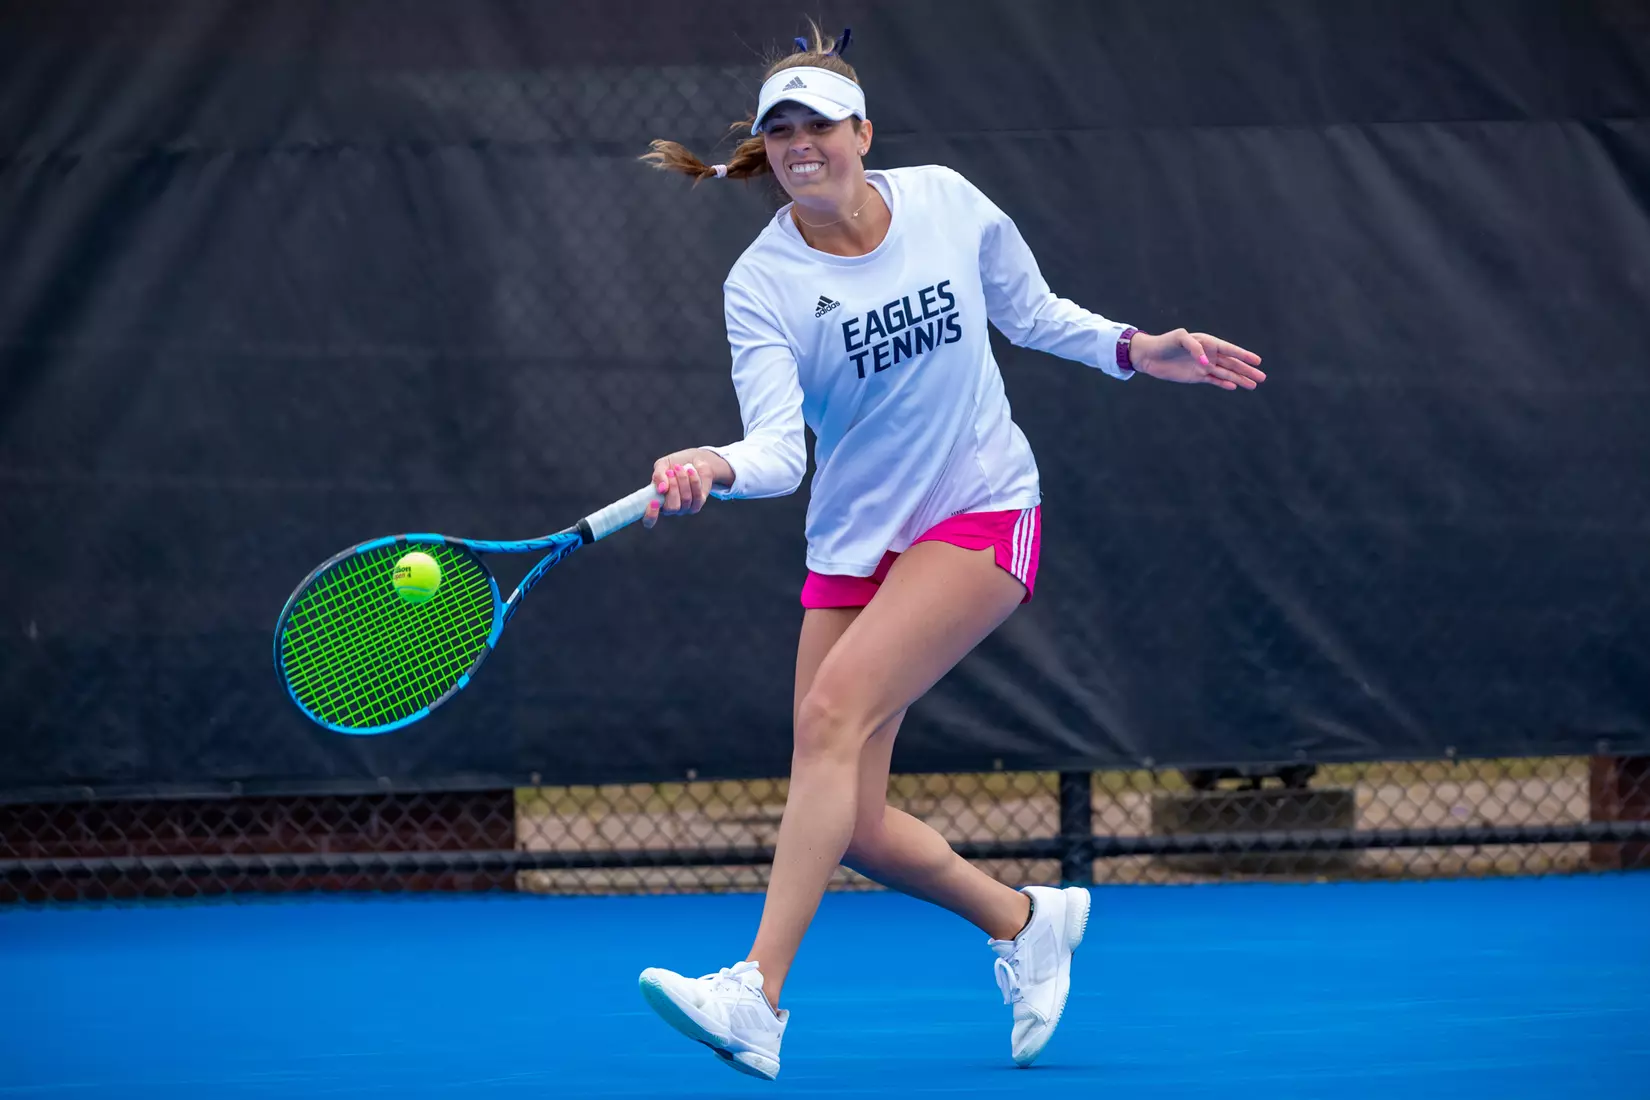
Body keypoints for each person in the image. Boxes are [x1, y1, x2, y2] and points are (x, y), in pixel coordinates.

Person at [631, 23, 1266, 1081]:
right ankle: (1023, 920)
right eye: (778, 131)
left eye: (817, 126)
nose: (799, 145)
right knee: (854, 816)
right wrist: (711, 460)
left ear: (861, 132)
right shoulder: (762, 282)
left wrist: (1139, 349)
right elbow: (781, 451)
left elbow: (1032, 313)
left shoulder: (947, 202)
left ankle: (756, 995)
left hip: (979, 511)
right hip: (853, 540)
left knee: (829, 719)